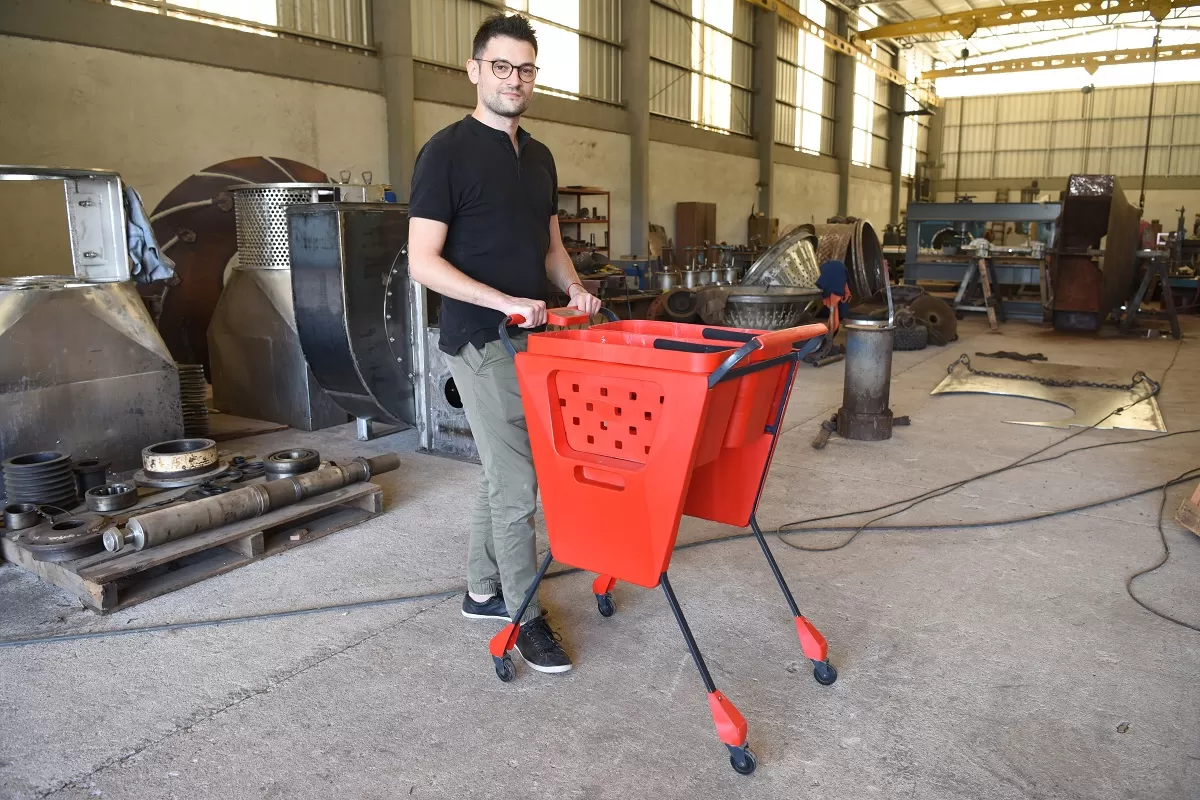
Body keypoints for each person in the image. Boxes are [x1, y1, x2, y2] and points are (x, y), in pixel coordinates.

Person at [407, 14, 602, 675]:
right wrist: (503, 302)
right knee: (521, 483)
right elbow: (422, 262)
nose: (513, 80)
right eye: (501, 67)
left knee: (503, 472)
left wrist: (571, 288)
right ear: (474, 70)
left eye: (525, 69)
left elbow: (550, 248)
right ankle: (523, 614)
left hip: (536, 338)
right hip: (477, 337)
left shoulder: (540, 157)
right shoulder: (446, 153)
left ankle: (481, 588)